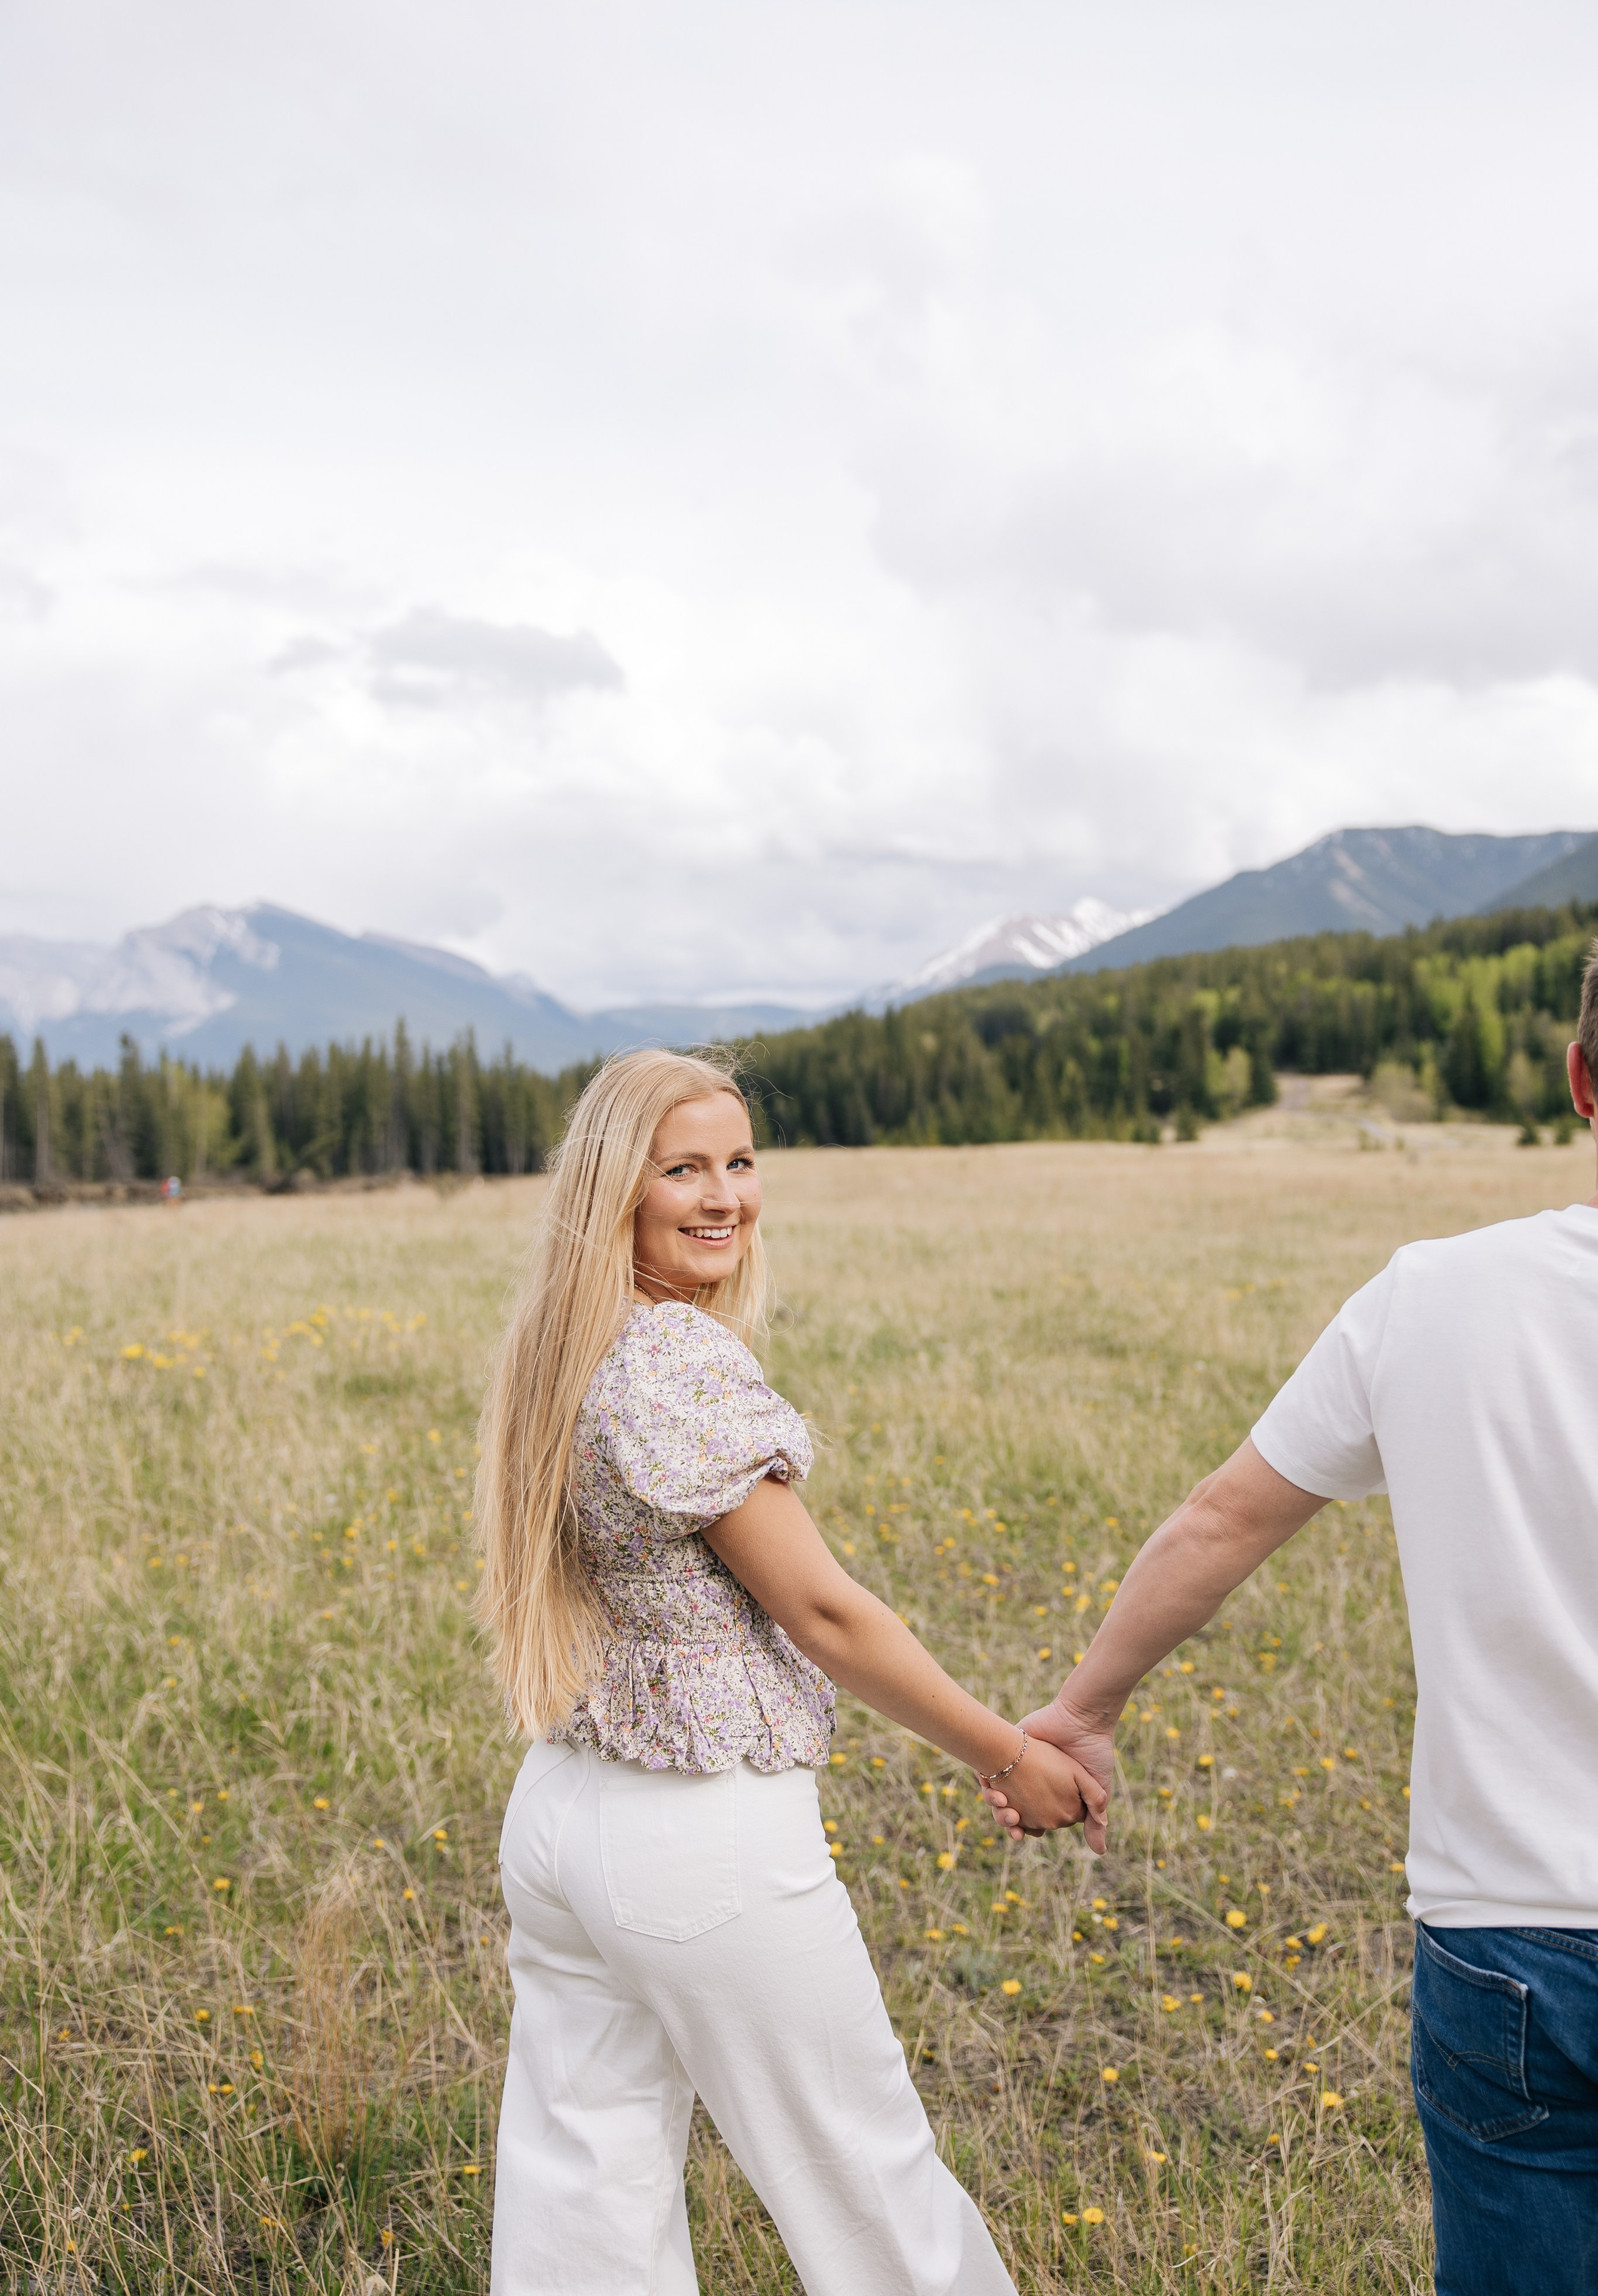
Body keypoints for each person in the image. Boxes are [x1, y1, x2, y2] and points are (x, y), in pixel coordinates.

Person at [986, 944, 1598, 2295]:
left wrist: (1083, 1710)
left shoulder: (1431, 1295)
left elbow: (1218, 1522)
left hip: (1510, 1936)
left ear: (1575, 1081)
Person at [476, 1047, 1105, 2296]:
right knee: (870, 2193)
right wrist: (1009, 1752)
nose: (723, 1197)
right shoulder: (676, 1363)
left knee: (581, 2201)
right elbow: (822, 1609)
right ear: (616, 1190)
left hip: (563, 1812)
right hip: (695, 1836)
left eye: (740, 1162)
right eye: (683, 1170)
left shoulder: (570, 1345)